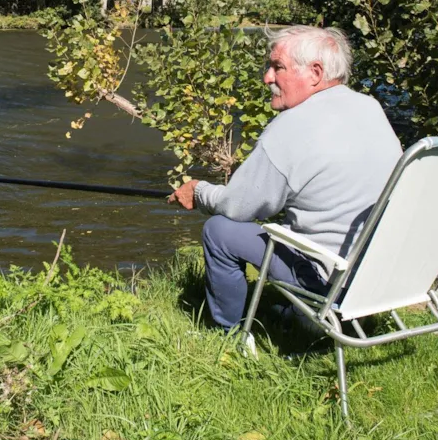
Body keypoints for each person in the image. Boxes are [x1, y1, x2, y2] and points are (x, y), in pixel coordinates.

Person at [167, 25, 402, 331]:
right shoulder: (369, 108)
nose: (267, 77)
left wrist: (198, 191)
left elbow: (236, 207)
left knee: (219, 230)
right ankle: (296, 317)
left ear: (315, 73)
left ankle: (227, 335)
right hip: (377, 281)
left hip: (328, 282)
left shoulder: (291, 125)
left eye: (278, 67)